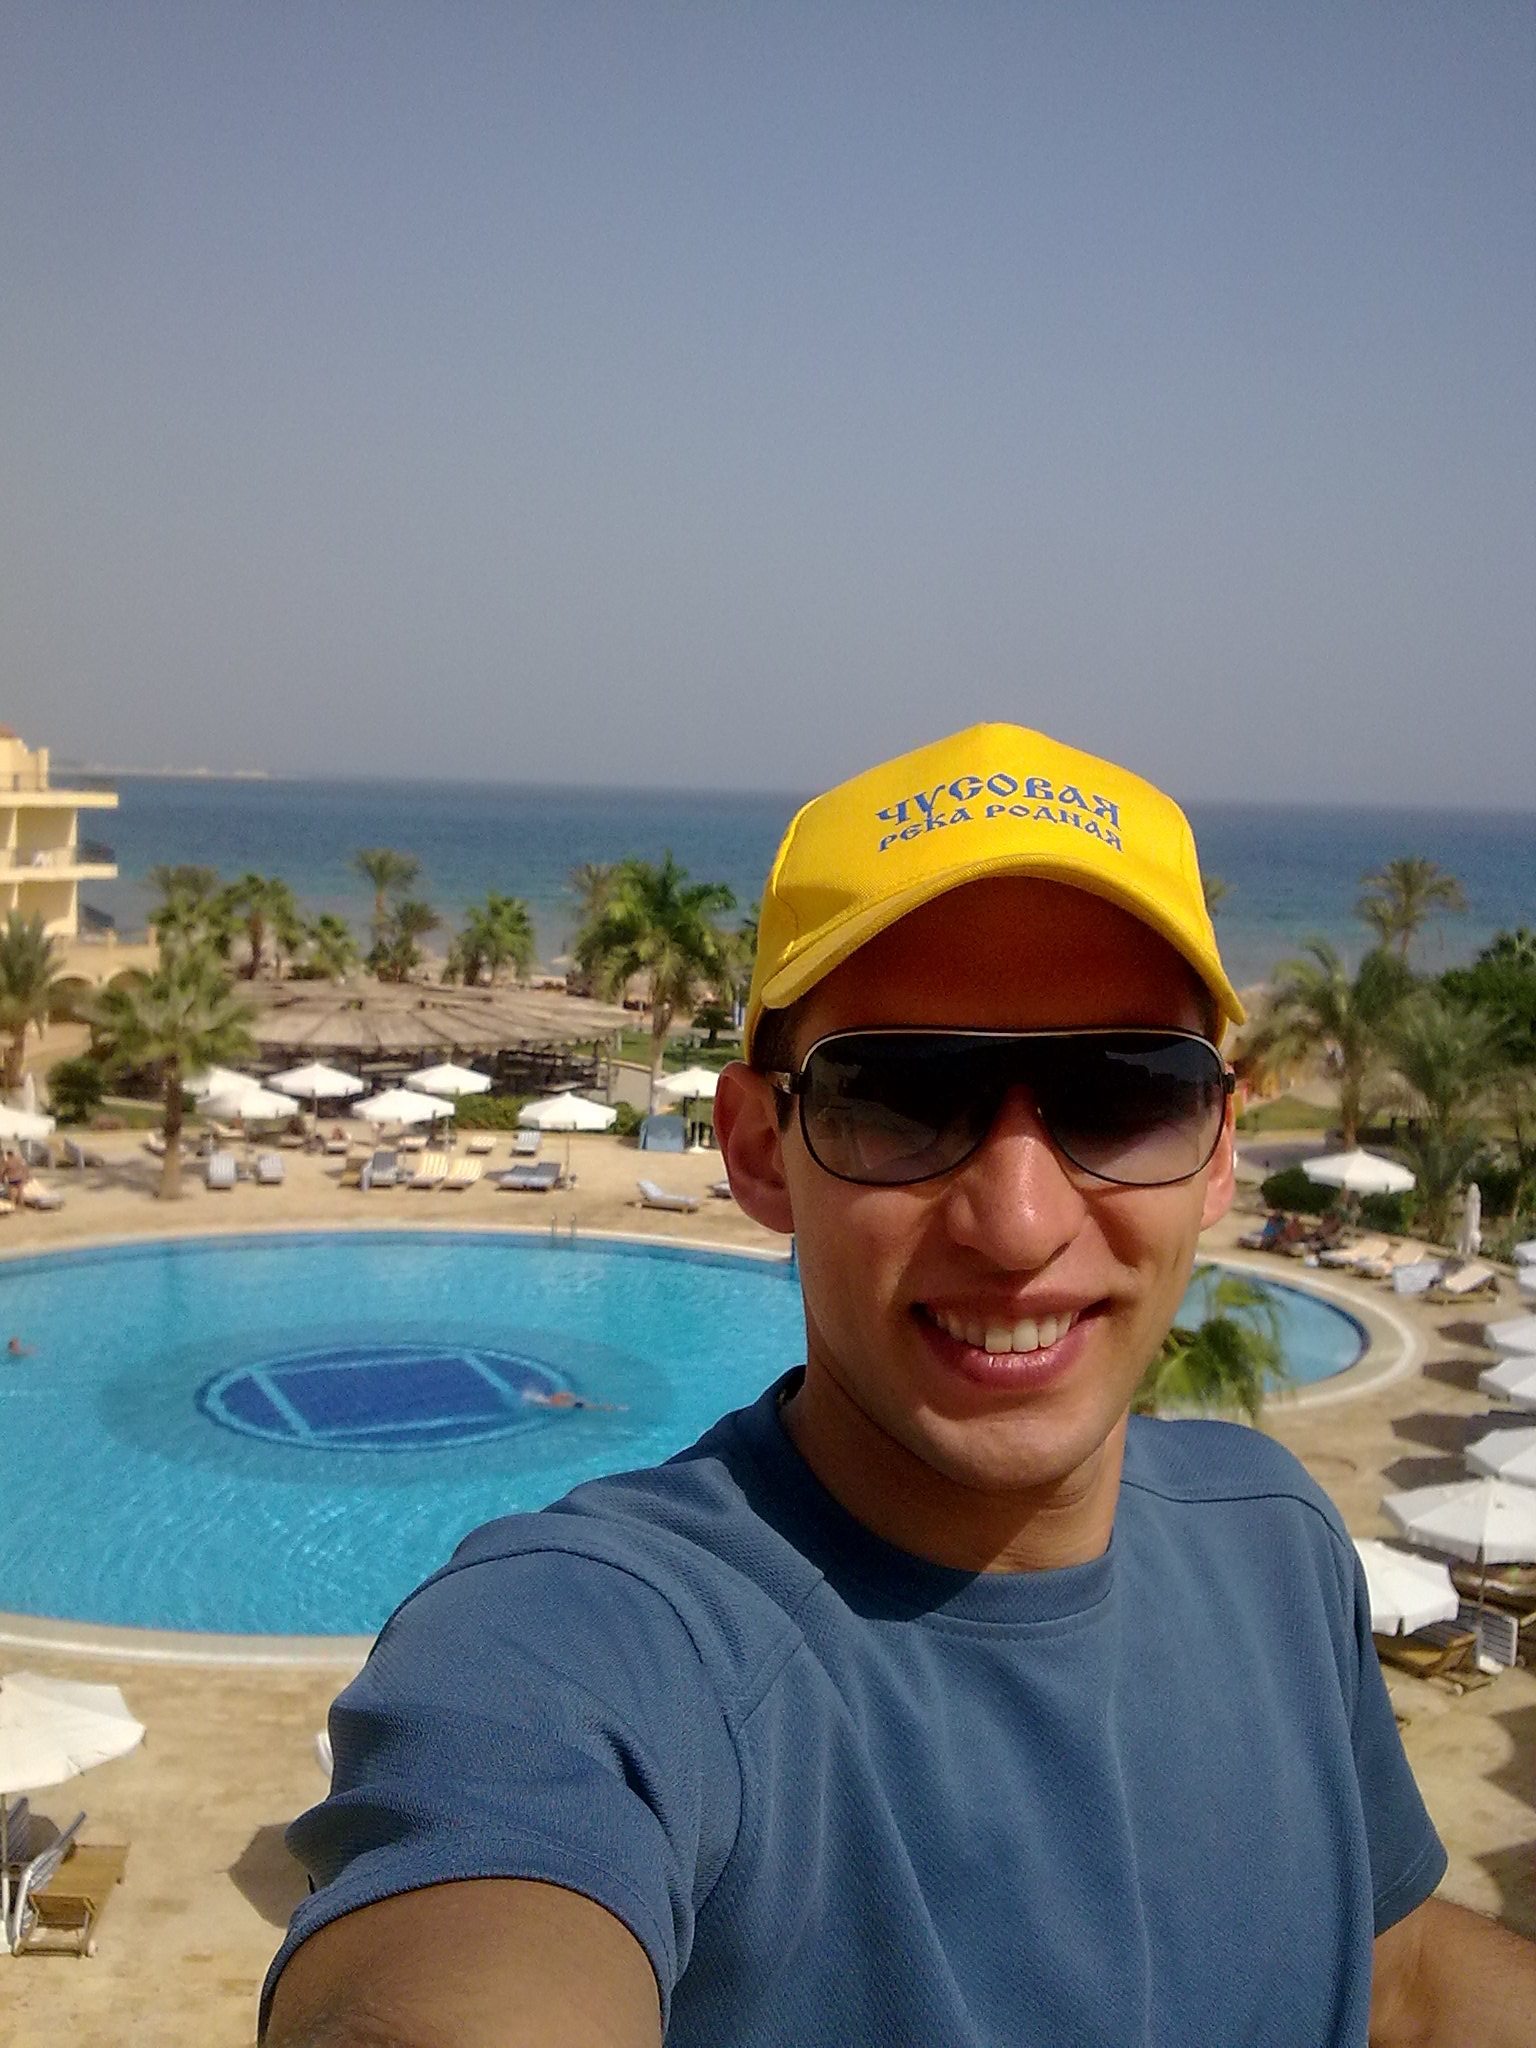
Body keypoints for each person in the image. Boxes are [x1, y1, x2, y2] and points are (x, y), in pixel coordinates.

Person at [263, 723, 1536, 2047]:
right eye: (900, 1099)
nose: (1020, 1222)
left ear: (1220, 1145)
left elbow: (1390, 1971)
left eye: (1124, 1094)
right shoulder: (595, 1644)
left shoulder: (1275, 1544)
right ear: (760, 1149)